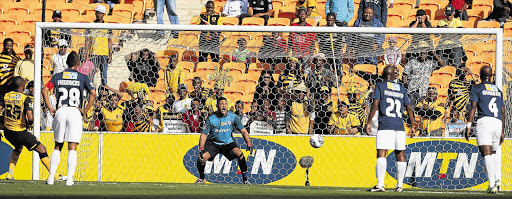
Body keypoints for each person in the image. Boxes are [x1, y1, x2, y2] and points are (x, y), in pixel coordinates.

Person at [42, 51, 97, 186]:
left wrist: (50, 108)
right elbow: (93, 93)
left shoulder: (58, 76)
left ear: (66, 63)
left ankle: (50, 178)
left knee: (57, 146)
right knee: (72, 146)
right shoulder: (82, 77)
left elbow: (45, 90)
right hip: (74, 111)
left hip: (60, 111)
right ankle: (70, 179)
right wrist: (85, 110)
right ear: (78, 64)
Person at [366, 65, 415, 192]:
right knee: (400, 153)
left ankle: (380, 184)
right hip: (399, 126)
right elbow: (409, 108)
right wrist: (413, 125)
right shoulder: (401, 88)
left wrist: (368, 122)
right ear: (395, 75)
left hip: (385, 124)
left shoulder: (380, 86)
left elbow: (375, 105)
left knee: (382, 153)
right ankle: (400, 185)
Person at [0, 77, 54, 180]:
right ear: (21, 85)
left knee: (18, 148)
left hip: (8, 131)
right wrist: (30, 123)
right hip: (20, 132)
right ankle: (54, 175)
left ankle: (10, 173)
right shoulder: (24, 98)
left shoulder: (6, 96)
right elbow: (30, 118)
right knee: (42, 149)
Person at [196, 97, 253, 184]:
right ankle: (202, 178)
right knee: (201, 158)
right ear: (217, 106)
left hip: (228, 143)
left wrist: (249, 143)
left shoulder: (233, 117)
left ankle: (245, 180)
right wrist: (201, 148)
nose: (224, 106)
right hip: (213, 143)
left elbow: (244, 131)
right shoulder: (211, 118)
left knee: (240, 154)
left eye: (225, 104)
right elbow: (203, 135)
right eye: (221, 104)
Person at [466, 65, 505, 194]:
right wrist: (503, 130)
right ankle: (497, 180)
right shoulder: (498, 90)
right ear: (491, 76)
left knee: (486, 153)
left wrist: (468, 125)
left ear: (480, 75)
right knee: (493, 153)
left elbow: (473, 107)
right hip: (498, 122)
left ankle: (492, 184)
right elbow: (503, 111)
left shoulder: (477, 88)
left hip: (485, 121)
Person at [86, 5, 112, 86]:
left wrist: (110, 55)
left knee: (104, 75)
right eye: (97, 13)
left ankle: (104, 93)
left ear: (104, 14)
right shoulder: (90, 25)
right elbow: (87, 40)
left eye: (100, 13)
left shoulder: (108, 26)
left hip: (104, 53)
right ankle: (90, 93)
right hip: (93, 53)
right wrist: (87, 53)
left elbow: (110, 41)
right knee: (91, 75)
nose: (98, 14)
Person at [436, 4, 466, 69]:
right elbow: (436, 35)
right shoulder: (441, 22)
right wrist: (442, 28)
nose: (448, 16)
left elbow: (460, 35)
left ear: (453, 13)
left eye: (450, 14)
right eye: (447, 14)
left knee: (456, 67)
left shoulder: (457, 22)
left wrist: (449, 31)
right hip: (443, 47)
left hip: (455, 46)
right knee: (443, 68)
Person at [0, 38, 22, 103]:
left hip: (11, 85)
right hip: (1, 85)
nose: (8, 47)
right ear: (4, 46)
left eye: (10, 45)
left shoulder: (16, 57)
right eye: (7, 45)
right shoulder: (0, 57)